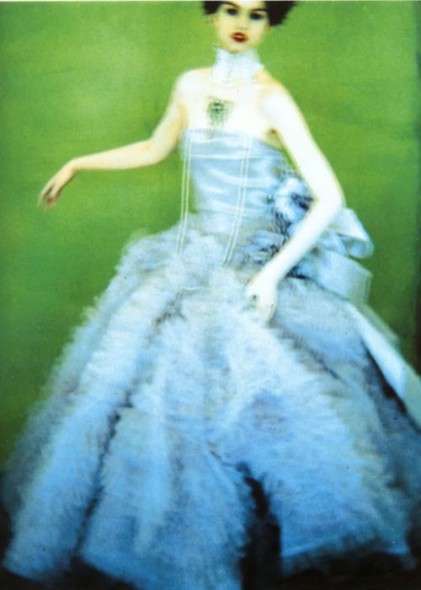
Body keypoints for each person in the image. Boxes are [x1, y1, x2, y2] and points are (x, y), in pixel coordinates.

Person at [2, 1, 421, 589]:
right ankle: (170, 547)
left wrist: (270, 275)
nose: (241, 23)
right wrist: (78, 162)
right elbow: (155, 147)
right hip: (190, 253)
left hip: (250, 262)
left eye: (257, 13)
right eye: (229, 9)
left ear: (273, 21)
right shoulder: (190, 85)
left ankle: (242, 553)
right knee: (151, 393)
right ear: (211, 14)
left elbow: (329, 197)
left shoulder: (273, 98)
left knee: (256, 402)